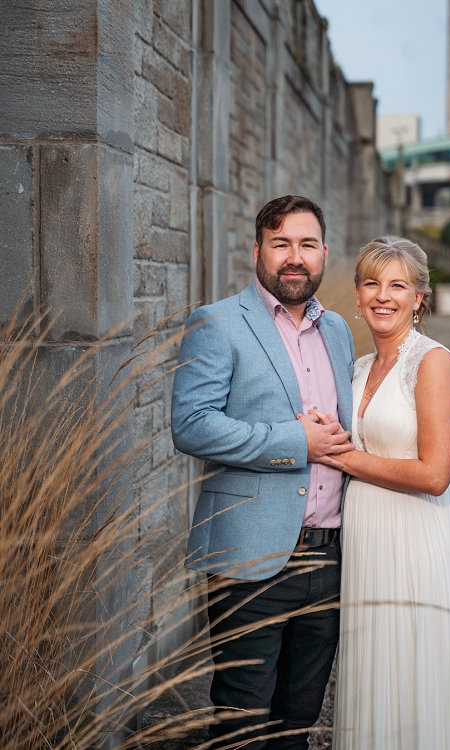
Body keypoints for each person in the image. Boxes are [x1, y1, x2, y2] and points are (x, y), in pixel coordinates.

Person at [171, 195, 355, 750]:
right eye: (280, 245)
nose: (293, 258)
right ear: (258, 252)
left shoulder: (340, 331)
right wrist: (296, 441)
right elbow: (193, 426)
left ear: (323, 253)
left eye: (305, 245)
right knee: (241, 723)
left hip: (329, 556)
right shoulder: (219, 323)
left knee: (297, 722)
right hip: (250, 558)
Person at [306, 236, 450, 750]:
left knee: (417, 669)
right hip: (366, 542)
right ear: (359, 295)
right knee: (374, 668)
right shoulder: (357, 369)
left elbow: (434, 473)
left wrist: (338, 455)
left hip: (416, 537)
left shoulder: (433, 364)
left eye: (397, 285)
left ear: (418, 297)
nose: (382, 296)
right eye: (371, 283)